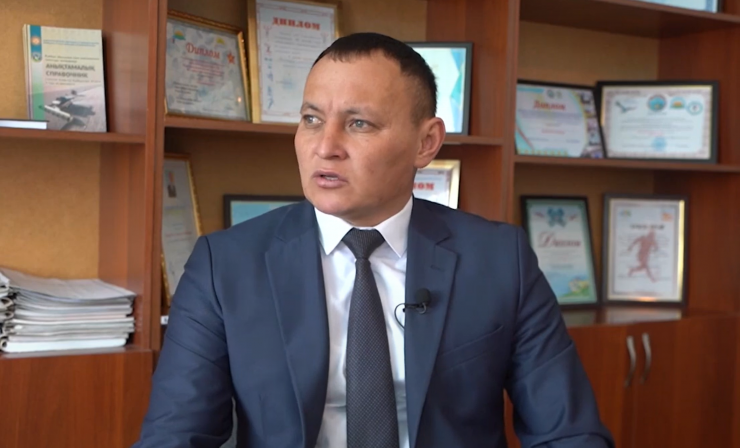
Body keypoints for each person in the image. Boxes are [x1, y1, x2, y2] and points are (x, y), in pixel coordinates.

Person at [133, 32, 614, 448]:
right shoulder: (225, 265)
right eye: (312, 119)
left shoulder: (499, 260)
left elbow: (569, 432)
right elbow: (176, 435)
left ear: (426, 142)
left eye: (358, 123)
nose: (325, 147)